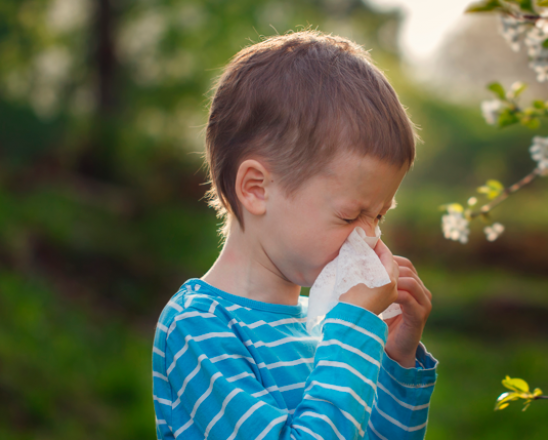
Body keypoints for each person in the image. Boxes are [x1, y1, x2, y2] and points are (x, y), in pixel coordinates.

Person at [151, 31, 437, 440]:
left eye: (379, 216)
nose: (371, 240)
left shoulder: (322, 323)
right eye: (349, 215)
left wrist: (396, 357)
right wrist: (353, 329)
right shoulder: (199, 327)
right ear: (256, 189)